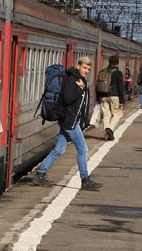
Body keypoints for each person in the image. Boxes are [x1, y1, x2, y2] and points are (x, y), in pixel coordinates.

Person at [30, 56, 103, 190]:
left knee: (59, 149)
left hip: (69, 120)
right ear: (78, 66)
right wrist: (80, 89)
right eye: (84, 67)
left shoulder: (80, 80)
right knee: (82, 149)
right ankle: (85, 179)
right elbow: (67, 98)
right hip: (70, 121)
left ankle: (40, 173)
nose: (86, 71)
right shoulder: (71, 79)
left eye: (88, 69)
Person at [95, 53, 126, 140]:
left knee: (106, 115)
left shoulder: (102, 72)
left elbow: (97, 85)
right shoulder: (118, 73)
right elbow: (121, 87)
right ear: (117, 63)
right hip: (114, 96)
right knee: (118, 113)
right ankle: (110, 129)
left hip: (103, 96)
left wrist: (98, 98)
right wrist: (122, 100)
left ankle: (106, 135)